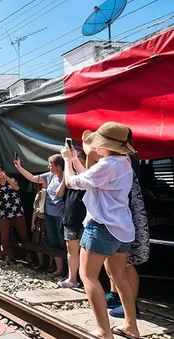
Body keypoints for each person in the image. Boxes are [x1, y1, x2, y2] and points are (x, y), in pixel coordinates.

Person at [62, 122, 139, 339]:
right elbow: (93, 178)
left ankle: (104, 331)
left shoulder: (106, 165)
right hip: (122, 227)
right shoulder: (124, 161)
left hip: (102, 226)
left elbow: (73, 182)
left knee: (88, 276)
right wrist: (77, 159)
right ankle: (131, 326)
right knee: (119, 276)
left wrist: (68, 161)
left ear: (104, 145)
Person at [106, 152, 149, 320]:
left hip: (127, 214)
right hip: (121, 215)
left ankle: (130, 304)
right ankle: (117, 296)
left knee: (126, 263)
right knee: (112, 261)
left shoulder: (126, 158)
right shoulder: (121, 158)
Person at [14, 154, 65, 276]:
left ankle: (67, 270)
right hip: (48, 215)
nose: (48, 166)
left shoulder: (66, 177)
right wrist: (19, 167)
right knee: (53, 242)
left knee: (63, 243)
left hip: (60, 216)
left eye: (50, 164)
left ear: (58, 166)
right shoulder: (50, 176)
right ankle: (59, 269)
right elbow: (32, 177)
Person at [56, 150, 87, 288]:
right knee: (71, 250)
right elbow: (59, 193)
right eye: (75, 162)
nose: (76, 165)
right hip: (70, 217)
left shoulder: (89, 177)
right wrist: (66, 176)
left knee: (87, 252)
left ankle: (87, 280)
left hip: (85, 219)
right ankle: (72, 279)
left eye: (79, 162)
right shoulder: (70, 177)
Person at [0, 165, 30, 265]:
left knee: (23, 234)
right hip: (4, 212)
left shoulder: (11, 179)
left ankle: (29, 254)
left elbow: (16, 188)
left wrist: (6, 177)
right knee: (4, 236)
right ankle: (7, 255)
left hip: (16, 210)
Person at [31, 180, 53, 270]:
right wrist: (33, 222)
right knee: (37, 241)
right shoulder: (39, 194)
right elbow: (35, 209)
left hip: (50, 220)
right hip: (40, 220)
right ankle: (41, 263)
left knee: (50, 242)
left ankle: (51, 264)